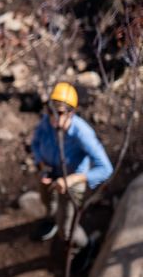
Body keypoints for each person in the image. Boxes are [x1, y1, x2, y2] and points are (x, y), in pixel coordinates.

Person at [30, 82, 113, 262]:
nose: (53, 117)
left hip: (72, 182)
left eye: (59, 113)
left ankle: (84, 246)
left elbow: (105, 168)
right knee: (48, 202)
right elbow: (35, 144)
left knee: (67, 230)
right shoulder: (46, 124)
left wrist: (73, 179)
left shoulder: (81, 133)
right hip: (50, 173)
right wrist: (41, 165)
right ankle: (51, 221)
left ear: (71, 113)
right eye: (50, 110)